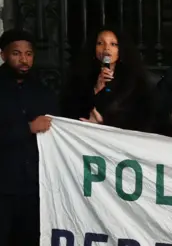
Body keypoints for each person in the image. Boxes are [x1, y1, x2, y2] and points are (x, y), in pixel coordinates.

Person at [0, 29, 58, 245]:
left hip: (34, 188)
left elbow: (60, 129)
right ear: (3, 55)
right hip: (4, 187)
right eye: (16, 53)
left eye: (29, 54)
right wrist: (27, 128)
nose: (23, 59)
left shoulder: (43, 92)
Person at [60, 26, 157, 132]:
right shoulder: (80, 77)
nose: (106, 48)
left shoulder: (134, 80)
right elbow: (70, 111)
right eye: (100, 43)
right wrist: (96, 90)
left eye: (113, 44)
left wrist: (105, 123)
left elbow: (143, 118)